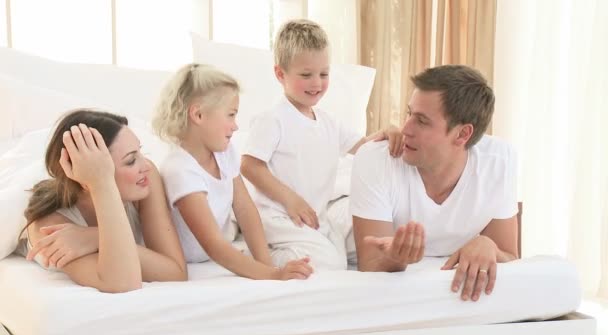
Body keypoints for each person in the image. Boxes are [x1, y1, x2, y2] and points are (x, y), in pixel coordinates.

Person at [240, 19, 403, 271]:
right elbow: (249, 165)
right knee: (330, 262)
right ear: (280, 74)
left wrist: (386, 133)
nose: (316, 83)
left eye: (323, 74)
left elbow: (363, 148)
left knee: (350, 253)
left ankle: (295, 250)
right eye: (306, 75)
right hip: (278, 215)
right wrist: (291, 200)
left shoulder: (329, 122)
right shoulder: (273, 119)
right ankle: (259, 255)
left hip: (315, 216)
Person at [350, 65, 519, 302]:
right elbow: (369, 264)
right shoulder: (375, 159)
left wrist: (487, 244)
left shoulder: (499, 161)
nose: (405, 129)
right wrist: (396, 258)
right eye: (409, 114)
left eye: (421, 121)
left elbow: (511, 257)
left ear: (462, 135)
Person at [152, 63, 312, 281]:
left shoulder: (224, 153)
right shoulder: (180, 169)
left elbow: (245, 209)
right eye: (230, 115)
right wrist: (272, 274)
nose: (236, 126)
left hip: (215, 248)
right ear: (198, 115)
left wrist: (265, 264)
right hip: (190, 258)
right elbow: (214, 246)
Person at [22, 110, 188, 293]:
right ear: (89, 177)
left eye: (140, 152)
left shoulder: (144, 181)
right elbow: (123, 282)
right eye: (131, 160)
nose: (146, 166)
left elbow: (176, 272)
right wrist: (101, 184)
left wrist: (94, 237)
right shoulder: (49, 225)